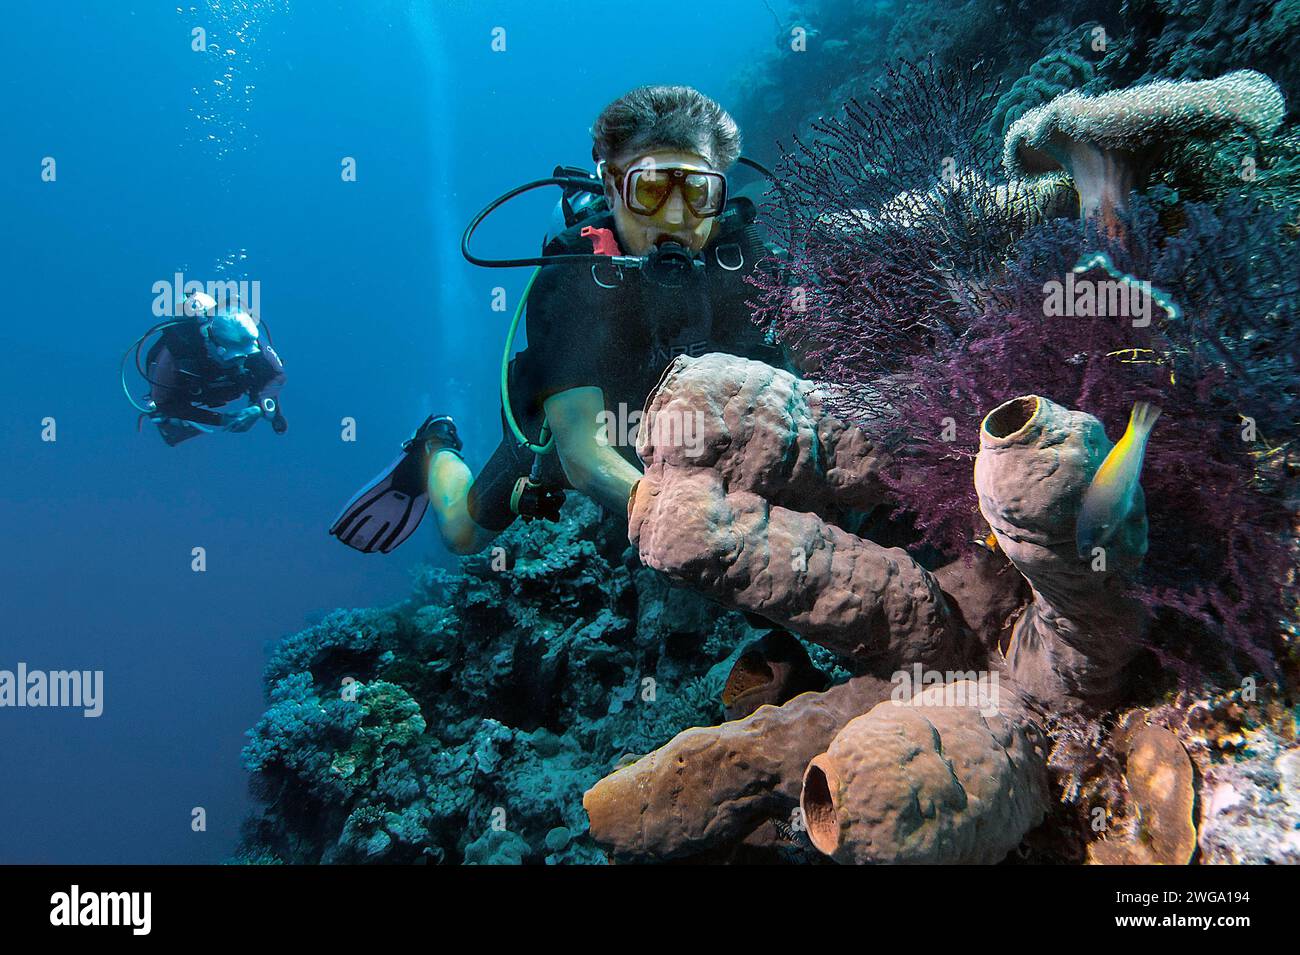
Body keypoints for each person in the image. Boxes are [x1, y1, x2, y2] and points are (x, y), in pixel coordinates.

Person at [331, 85, 790, 555]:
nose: (676, 217)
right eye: (650, 190)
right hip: (574, 432)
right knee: (464, 536)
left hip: (684, 426)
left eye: (697, 190)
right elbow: (582, 456)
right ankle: (435, 448)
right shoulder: (571, 278)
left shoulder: (751, 261)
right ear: (612, 187)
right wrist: (682, 527)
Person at [142, 291, 287, 446]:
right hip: (193, 389)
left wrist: (259, 407)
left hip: (223, 386)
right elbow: (163, 402)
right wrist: (220, 419)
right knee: (161, 410)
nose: (241, 363)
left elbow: (277, 374)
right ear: (211, 343)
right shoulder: (175, 356)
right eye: (234, 358)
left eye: (245, 355)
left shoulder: (248, 337)